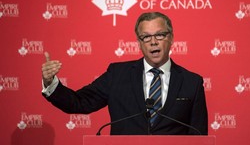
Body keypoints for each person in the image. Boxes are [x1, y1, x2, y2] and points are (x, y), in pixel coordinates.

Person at [42, 11, 208, 135]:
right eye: (146, 37)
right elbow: (79, 102)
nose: (153, 42)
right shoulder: (117, 74)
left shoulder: (191, 82)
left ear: (171, 38)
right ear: (139, 42)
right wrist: (51, 83)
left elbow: (199, 135)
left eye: (160, 35)